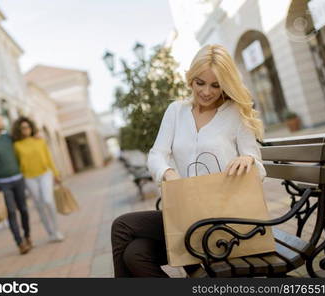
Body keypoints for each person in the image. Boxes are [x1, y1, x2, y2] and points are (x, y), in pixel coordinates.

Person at [111, 44, 267, 277]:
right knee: (135, 253)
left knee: (122, 226)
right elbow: (156, 154)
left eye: (216, 85)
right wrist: (168, 173)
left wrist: (248, 159)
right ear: (191, 79)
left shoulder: (236, 113)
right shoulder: (176, 111)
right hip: (186, 213)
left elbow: (259, 166)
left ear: (226, 84)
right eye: (200, 83)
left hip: (223, 219)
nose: (206, 91)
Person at [0, 114, 32, 255]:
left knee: (24, 209)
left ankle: (27, 236)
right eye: (0, 119)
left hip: (18, 179)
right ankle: (20, 243)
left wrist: (36, 135)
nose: (2, 121)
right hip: (2, 184)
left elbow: (24, 137)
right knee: (11, 213)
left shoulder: (7, 138)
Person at [12, 117, 64, 243]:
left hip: (45, 173)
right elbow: (17, 163)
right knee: (39, 206)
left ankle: (57, 230)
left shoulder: (40, 141)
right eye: (23, 128)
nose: (26, 130)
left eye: (28, 127)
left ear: (31, 127)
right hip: (29, 177)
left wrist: (56, 174)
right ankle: (50, 232)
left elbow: (48, 158)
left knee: (48, 200)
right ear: (19, 130)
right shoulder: (17, 145)